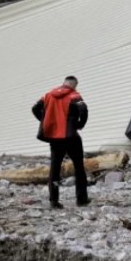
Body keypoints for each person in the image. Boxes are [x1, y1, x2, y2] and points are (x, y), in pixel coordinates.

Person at [31, 76, 89, 209]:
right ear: (74, 85)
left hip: (55, 139)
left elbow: (34, 108)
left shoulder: (47, 96)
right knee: (79, 167)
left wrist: (45, 121)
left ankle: (53, 200)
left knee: (55, 168)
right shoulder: (74, 95)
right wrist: (79, 125)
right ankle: (82, 199)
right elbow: (84, 110)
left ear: (63, 83)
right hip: (71, 137)